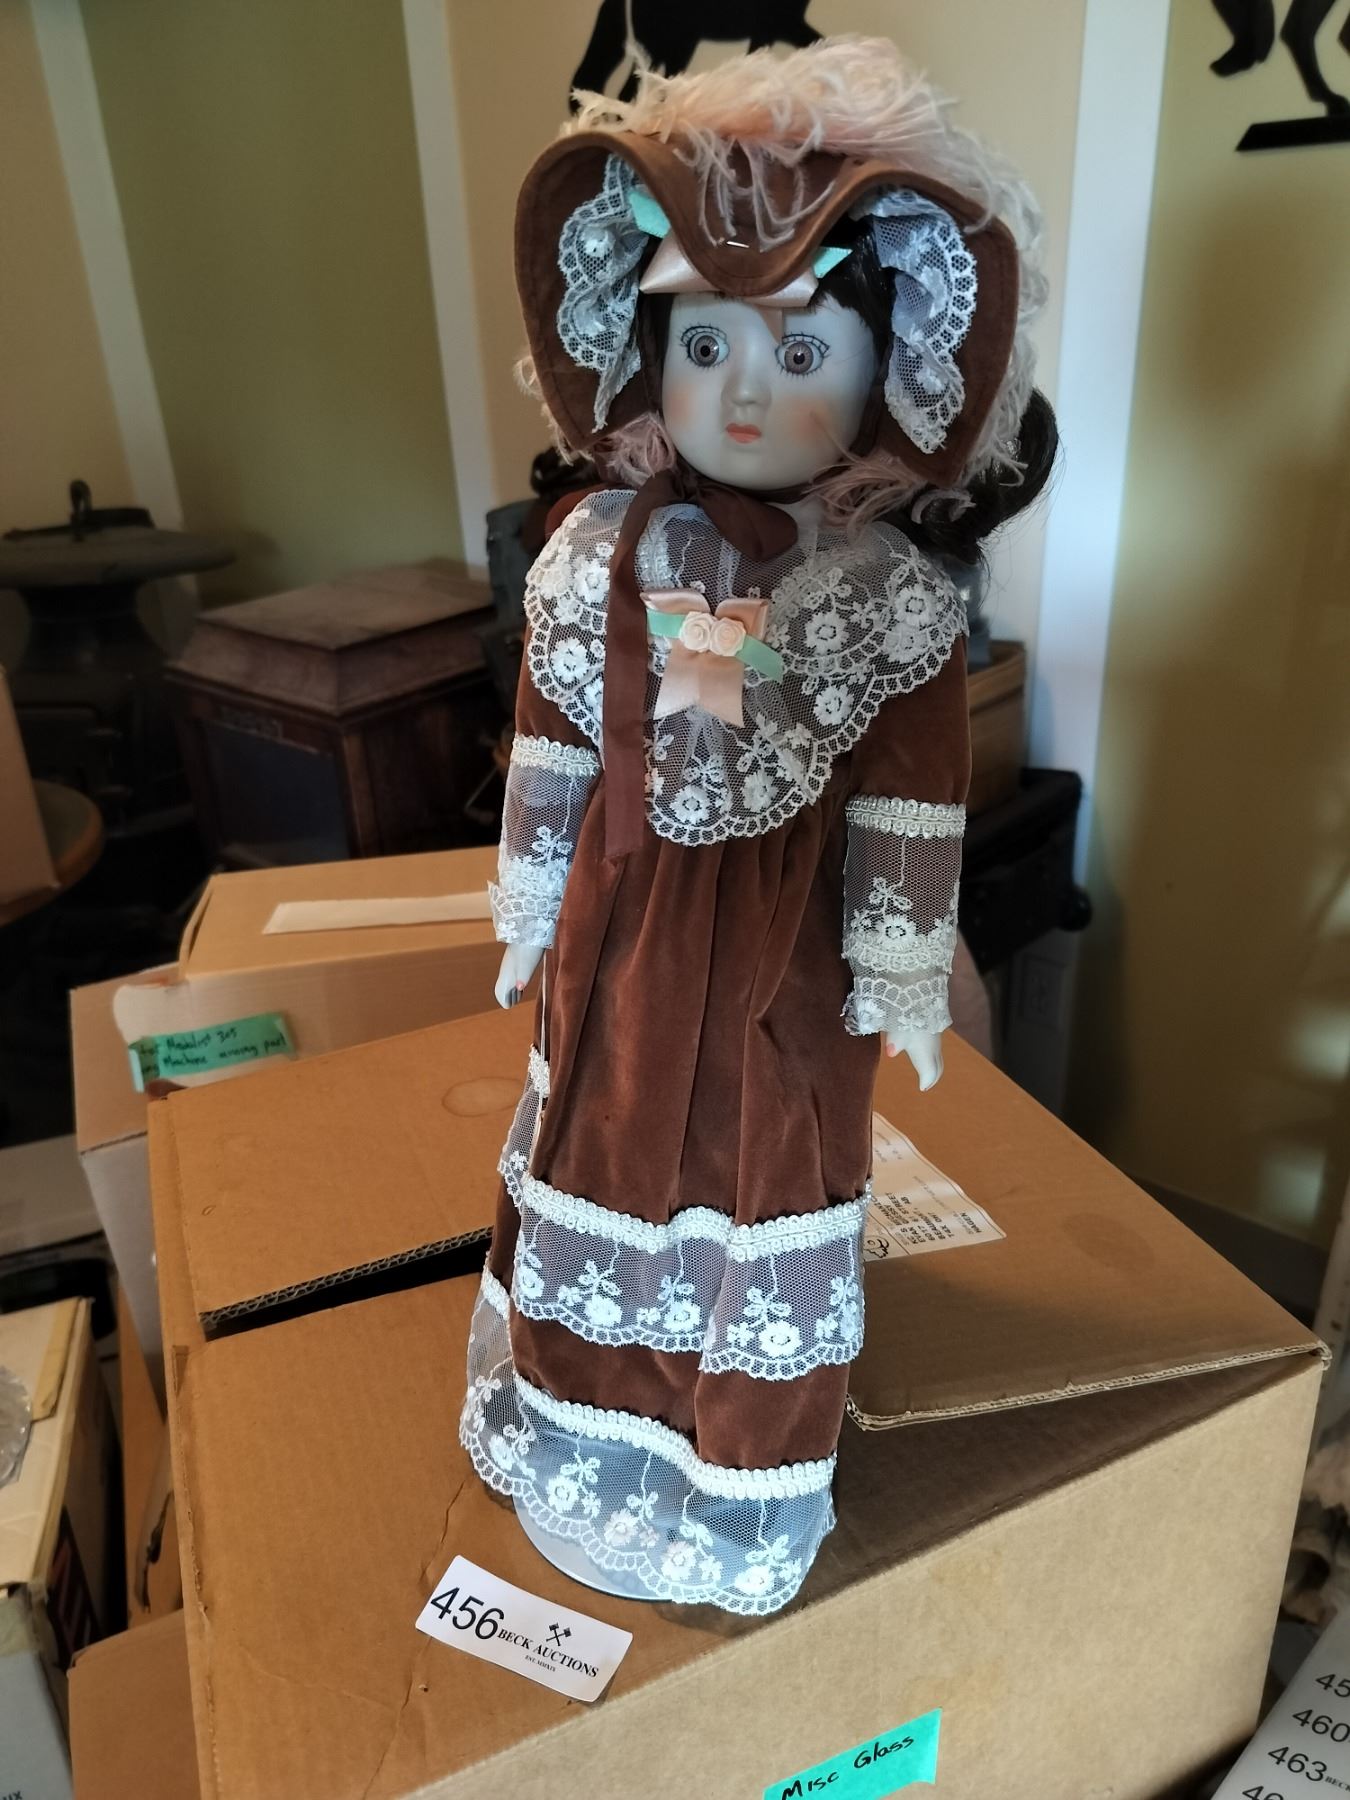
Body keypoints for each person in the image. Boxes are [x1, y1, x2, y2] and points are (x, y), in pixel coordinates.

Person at [460, 36, 1056, 1615]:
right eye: (707, 344)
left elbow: (914, 797)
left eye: (800, 353)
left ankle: (718, 1476)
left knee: (760, 1164)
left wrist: (905, 975)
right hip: (617, 939)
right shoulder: (595, 556)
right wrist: (527, 905)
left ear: (883, 377)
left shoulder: (880, 598)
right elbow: (554, 744)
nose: (742, 392)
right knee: (595, 1139)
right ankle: (575, 1423)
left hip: (781, 960)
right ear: (645, 350)